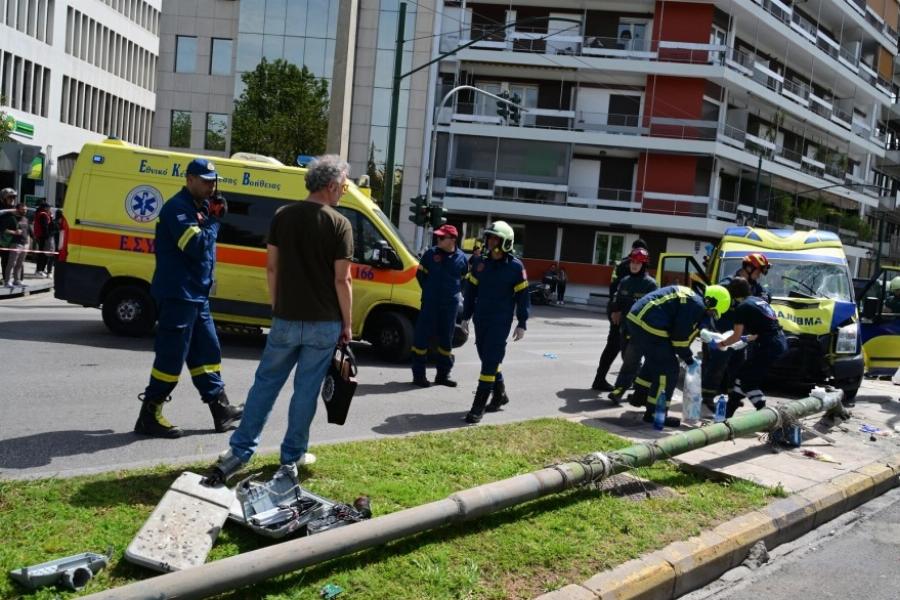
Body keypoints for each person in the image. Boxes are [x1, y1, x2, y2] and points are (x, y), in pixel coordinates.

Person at [210, 155, 354, 482]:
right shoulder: (339, 224)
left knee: (265, 385)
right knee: (305, 391)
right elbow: (341, 280)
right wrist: (347, 323)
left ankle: (240, 450)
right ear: (331, 186)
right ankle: (292, 457)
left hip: (286, 317)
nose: (344, 191)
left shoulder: (282, 216)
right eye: (344, 185)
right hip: (324, 321)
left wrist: (277, 304)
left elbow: (271, 267)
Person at [134, 157, 242, 438]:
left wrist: (211, 215)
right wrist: (215, 221)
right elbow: (195, 245)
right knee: (171, 359)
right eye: (205, 181)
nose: (210, 187)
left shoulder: (201, 207)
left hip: (197, 295)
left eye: (213, 181)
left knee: (208, 353)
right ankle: (149, 415)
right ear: (189, 179)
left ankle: (221, 410)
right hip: (178, 294)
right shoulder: (177, 209)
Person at [625, 284, 731, 427]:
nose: (711, 315)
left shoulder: (693, 299)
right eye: (712, 312)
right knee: (669, 369)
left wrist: (706, 333)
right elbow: (679, 339)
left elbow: (685, 326)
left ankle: (639, 397)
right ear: (710, 302)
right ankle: (656, 413)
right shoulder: (695, 305)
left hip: (638, 319)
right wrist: (689, 359)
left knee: (655, 361)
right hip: (650, 324)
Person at [461, 220, 530, 424]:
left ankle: (478, 407)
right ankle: (500, 395)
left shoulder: (516, 267)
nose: (490, 242)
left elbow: (523, 297)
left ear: (506, 242)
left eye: (494, 238)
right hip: (481, 319)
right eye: (489, 237)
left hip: (501, 322)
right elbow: (471, 291)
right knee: (488, 359)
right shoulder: (480, 264)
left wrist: (522, 322)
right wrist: (466, 316)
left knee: (490, 361)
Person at [711, 277, 787, 417]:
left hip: (768, 345)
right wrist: (744, 339)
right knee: (743, 377)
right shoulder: (758, 301)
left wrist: (720, 344)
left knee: (748, 381)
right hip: (778, 340)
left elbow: (735, 335)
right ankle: (728, 413)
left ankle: (765, 415)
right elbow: (763, 329)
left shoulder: (742, 308)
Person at [411, 224, 468, 387]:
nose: (438, 239)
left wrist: (453, 295)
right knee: (421, 339)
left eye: (442, 237)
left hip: (450, 307)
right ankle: (419, 376)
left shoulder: (462, 259)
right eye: (438, 236)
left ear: (452, 240)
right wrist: (430, 292)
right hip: (430, 304)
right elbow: (420, 275)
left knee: (446, 342)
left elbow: (464, 281)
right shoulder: (430, 255)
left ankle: (443, 375)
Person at [592, 239, 649, 391]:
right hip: (621, 311)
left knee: (618, 346)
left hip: (616, 308)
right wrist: (617, 310)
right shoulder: (628, 265)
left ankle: (603, 379)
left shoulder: (623, 262)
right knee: (622, 347)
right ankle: (630, 381)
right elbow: (621, 290)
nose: (636, 263)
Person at [606, 248, 658, 403]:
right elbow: (617, 299)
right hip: (625, 328)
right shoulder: (625, 281)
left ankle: (619, 390)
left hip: (641, 331)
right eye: (633, 262)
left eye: (638, 263)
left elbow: (654, 308)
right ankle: (643, 388)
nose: (635, 265)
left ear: (644, 265)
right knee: (627, 358)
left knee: (630, 360)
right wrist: (615, 310)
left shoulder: (650, 285)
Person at [2, 201, 28, 287]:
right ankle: (7, 281)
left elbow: (27, 231)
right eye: (23, 210)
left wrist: (28, 242)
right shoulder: (12, 218)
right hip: (15, 243)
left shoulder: (25, 219)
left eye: (25, 209)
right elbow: (3, 229)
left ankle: (17, 280)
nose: (25, 211)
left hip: (25, 244)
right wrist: (14, 232)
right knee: (11, 263)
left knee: (20, 264)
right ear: (17, 209)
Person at [0, 188, 18, 284]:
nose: (12, 199)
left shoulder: (15, 210)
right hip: (2, 239)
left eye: (14, 197)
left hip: (12, 240)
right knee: (5, 259)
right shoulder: (2, 210)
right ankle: (4, 278)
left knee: (11, 260)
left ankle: (10, 278)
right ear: (3, 198)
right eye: (10, 197)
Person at [33, 202, 55, 277]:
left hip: (41, 236)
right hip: (43, 237)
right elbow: (45, 227)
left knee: (42, 253)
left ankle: (40, 269)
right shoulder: (43, 215)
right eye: (49, 207)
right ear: (45, 208)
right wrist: (47, 236)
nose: (50, 209)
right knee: (43, 254)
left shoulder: (41, 213)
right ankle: (39, 270)